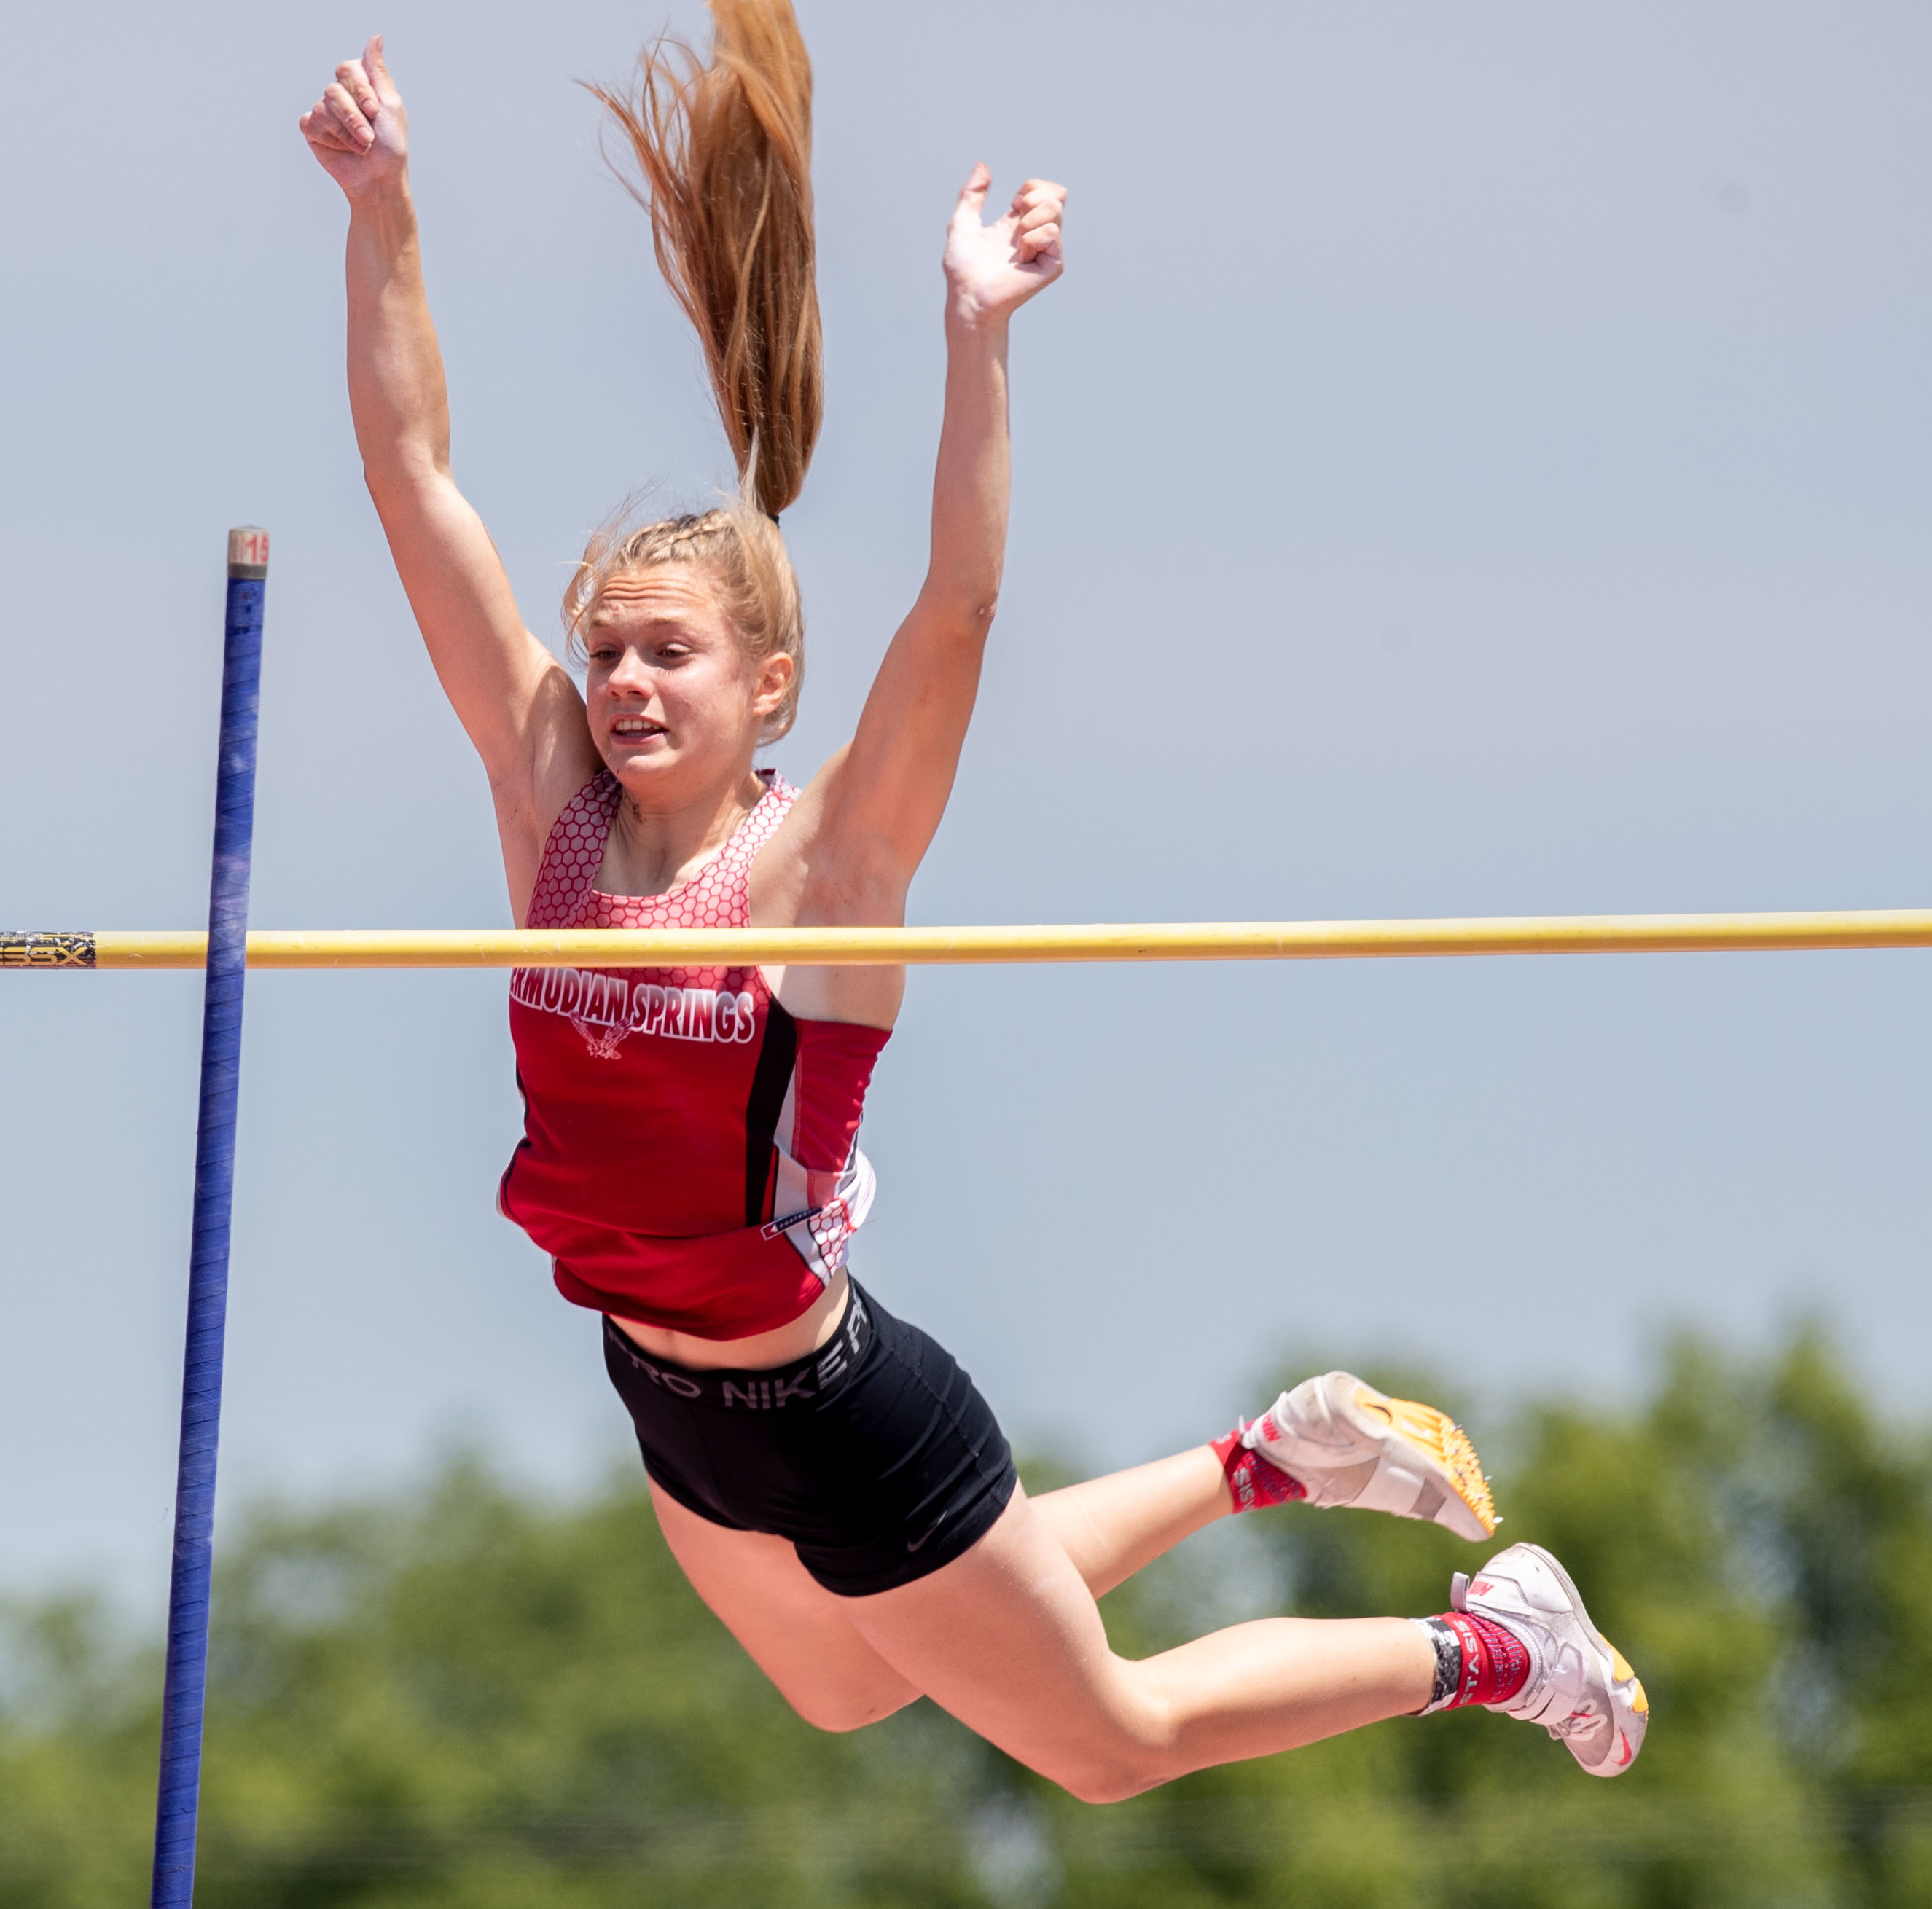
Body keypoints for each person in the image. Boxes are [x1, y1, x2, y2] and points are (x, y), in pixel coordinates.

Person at [298, 1, 1645, 1800]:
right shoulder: (549, 802)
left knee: (1110, 1740)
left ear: (769, 683)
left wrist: (975, 334)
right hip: (664, 1392)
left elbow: (956, 608)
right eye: (603, 649)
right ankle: (1263, 1458)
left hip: (833, 1408)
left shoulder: (825, 866)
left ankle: (1497, 1645)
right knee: (851, 1689)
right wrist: (381, 209)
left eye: (667, 654)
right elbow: (413, 484)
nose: (620, 683)